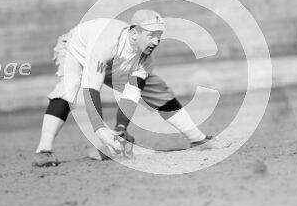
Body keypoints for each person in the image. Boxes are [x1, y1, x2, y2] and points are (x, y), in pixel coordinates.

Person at [33, 9, 229, 167]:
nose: (156, 41)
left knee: (155, 88)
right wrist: (99, 129)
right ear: (134, 33)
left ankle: (197, 139)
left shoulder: (145, 58)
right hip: (76, 50)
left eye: (159, 36)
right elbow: (91, 88)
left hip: (115, 64)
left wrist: (120, 129)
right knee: (70, 86)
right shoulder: (107, 42)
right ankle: (44, 150)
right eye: (151, 35)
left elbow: (131, 93)